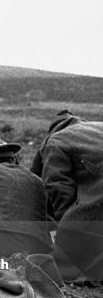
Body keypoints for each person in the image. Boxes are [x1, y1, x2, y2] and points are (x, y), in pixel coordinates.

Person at [41, 118, 103, 282]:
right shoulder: (95, 127)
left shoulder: (57, 139)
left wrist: (65, 224)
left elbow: (57, 186)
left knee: (63, 264)